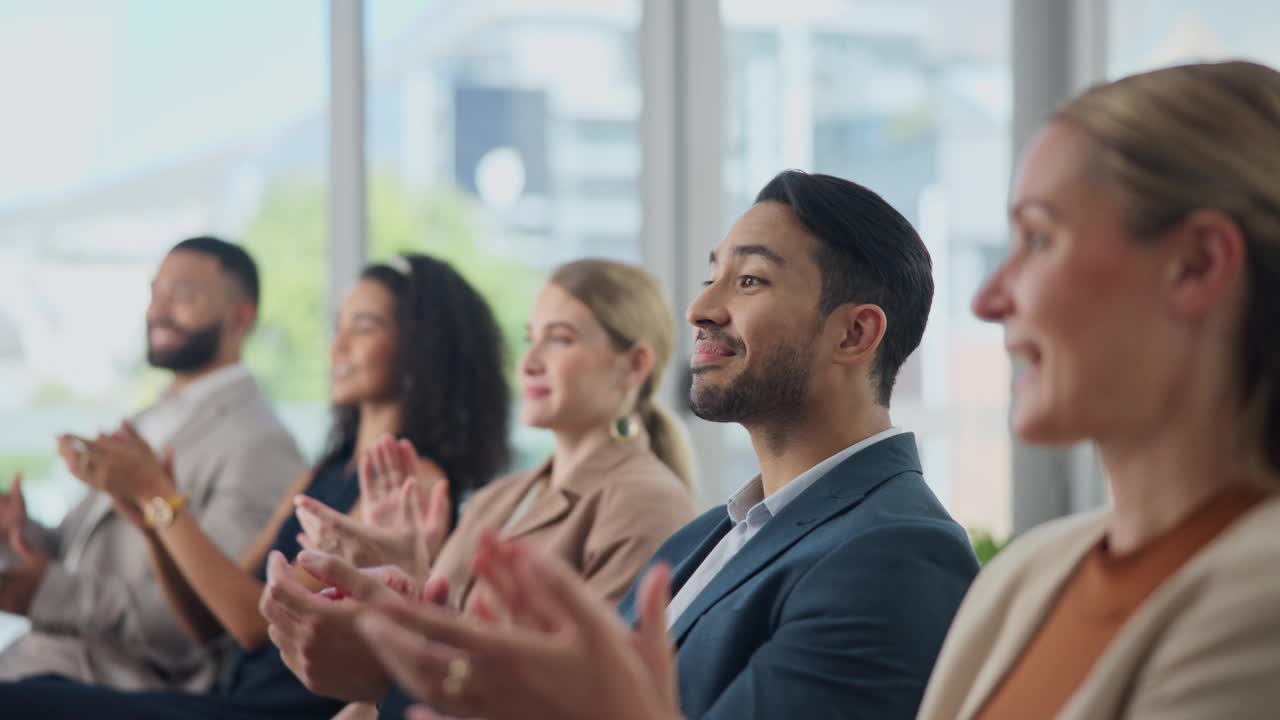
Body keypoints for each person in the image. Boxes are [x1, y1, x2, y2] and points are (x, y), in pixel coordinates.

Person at [310, 170, 981, 720]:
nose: (699, 309)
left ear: (855, 335)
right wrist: (410, 634)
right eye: (711, 275)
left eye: (749, 280)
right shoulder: (696, 543)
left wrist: (398, 669)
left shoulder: (896, 553)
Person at [915, 60, 1280, 719]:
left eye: (1038, 238)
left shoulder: (1264, 601)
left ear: (1198, 264)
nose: (988, 298)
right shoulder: (1023, 578)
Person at [0, 253, 513, 719]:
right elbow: (211, 623)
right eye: (338, 327)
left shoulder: (413, 483)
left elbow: (256, 620)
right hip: (230, 697)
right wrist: (150, 520)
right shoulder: (323, 471)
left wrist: (160, 496)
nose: (338, 345)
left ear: (422, 348)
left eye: (364, 326)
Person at [260, 259, 699, 717]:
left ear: (635, 365)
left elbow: (585, 698)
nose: (528, 362)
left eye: (561, 339)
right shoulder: (499, 497)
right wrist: (405, 570)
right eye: (531, 338)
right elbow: (437, 641)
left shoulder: (646, 503)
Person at [0, 236, 306, 691]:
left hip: (114, 682)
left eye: (182, 296)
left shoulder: (260, 443)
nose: (157, 311)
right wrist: (20, 533)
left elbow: (205, 618)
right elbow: (77, 550)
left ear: (241, 316)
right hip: (42, 662)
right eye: (155, 294)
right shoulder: (148, 419)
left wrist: (48, 591)